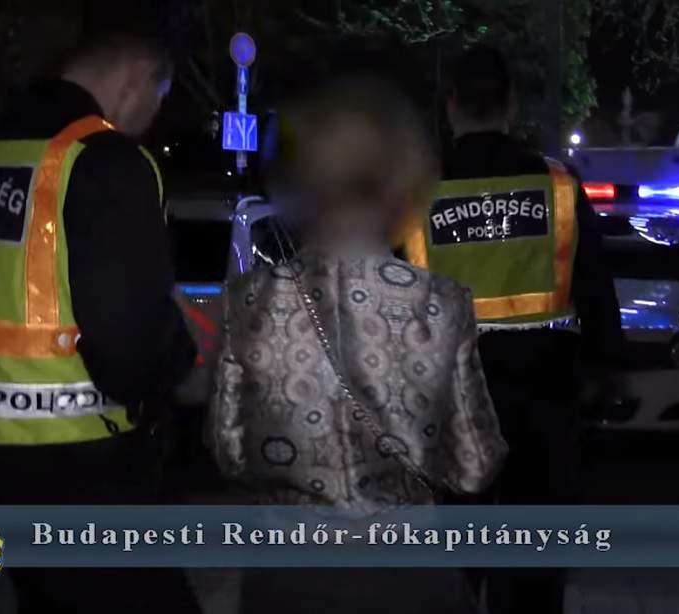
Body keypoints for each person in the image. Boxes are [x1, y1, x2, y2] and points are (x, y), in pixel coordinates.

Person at [0, 32, 199, 614]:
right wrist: (180, 359)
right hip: (76, 462)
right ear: (137, 78)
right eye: (158, 100)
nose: (150, 119)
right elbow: (129, 344)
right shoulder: (103, 160)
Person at [209, 77, 507, 614]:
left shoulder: (246, 302)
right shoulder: (440, 305)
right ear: (403, 177)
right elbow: (475, 465)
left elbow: (229, 451)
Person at [402, 45, 624, 614]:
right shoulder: (558, 186)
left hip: (451, 409)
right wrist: (604, 375)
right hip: (544, 405)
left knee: (454, 566)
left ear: (451, 104)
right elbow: (597, 294)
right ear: (511, 104)